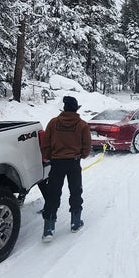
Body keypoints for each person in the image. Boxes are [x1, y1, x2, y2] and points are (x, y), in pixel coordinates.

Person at [40, 95, 91, 242]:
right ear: (76, 108)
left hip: (57, 163)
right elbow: (87, 145)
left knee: (53, 193)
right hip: (73, 163)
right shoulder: (82, 125)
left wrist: (49, 156)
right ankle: (75, 222)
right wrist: (81, 155)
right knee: (76, 191)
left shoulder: (53, 123)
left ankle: (48, 229)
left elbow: (46, 143)